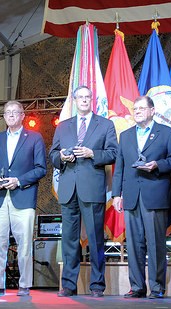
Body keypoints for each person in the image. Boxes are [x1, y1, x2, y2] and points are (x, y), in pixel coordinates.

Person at [49, 85, 118, 297]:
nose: (84, 100)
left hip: (92, 188)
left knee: (96, 239)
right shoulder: (63, 126)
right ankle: (69, 285)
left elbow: (114, 153)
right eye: (80, 97)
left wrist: (92, 153)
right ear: (75, 100)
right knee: (69, 239)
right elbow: (52, 154)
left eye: (88, 97)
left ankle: (97, 286)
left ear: (92, 100)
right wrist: (61, 157)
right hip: (69, 188)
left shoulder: (105, 125)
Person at [112, 96, 171, 299]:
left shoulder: (166, 132)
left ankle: (157, 287)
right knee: (134, 245)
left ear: (152, 110)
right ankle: (137, 287)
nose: (138, 111)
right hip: (132, 196)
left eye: (142, 108)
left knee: (155, 243)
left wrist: (157, 165)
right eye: (135, 109)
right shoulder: (125, 135)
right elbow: (120, 168)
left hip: (155, 194)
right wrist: (117, 194)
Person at [0, 101, 47, 297]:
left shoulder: (34, 138)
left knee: (24, 243)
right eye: (7, 112)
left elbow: (41, 168)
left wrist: (19, 181)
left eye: (14, 112)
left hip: (23, 197)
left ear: (22, 115)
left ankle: (24, 285)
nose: (10, 115)